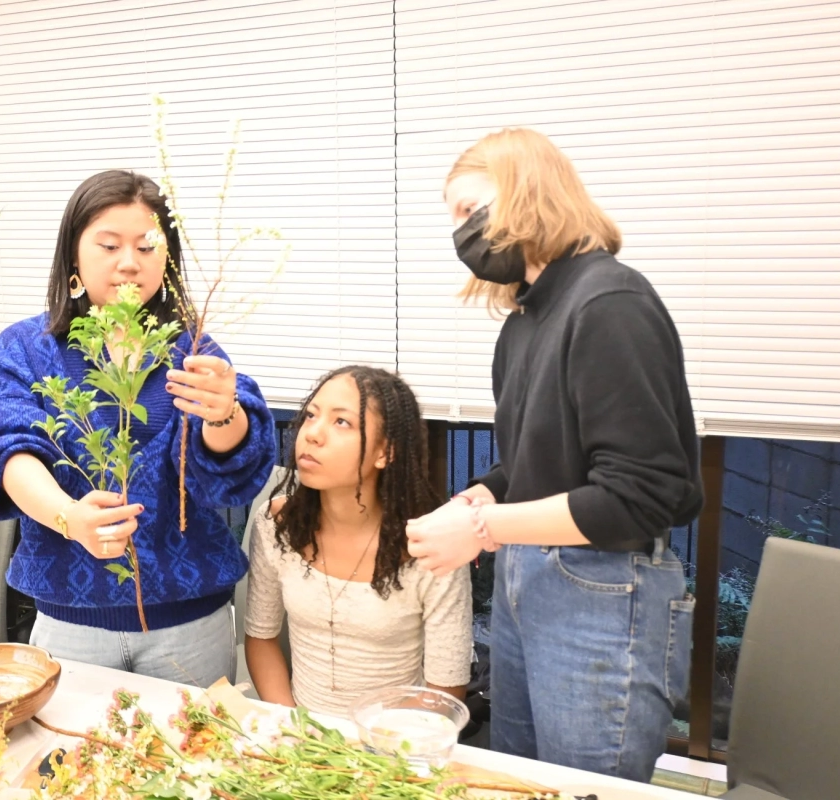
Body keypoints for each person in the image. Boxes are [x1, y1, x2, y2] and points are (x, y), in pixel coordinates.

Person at [404, 128, 702, 782]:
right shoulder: (524, 324)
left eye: (468, 209)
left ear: (526, 192)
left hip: (602, 589)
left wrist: (479, 531)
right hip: (526, 582)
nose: (459, 233)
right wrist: (480, 495)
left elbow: (637, 495)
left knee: (584, 789)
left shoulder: (610, 304)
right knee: (522, 782)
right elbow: (534, 463)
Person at [0, 169, 277, 687]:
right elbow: (5, 452)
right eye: (109, 245)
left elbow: (228, 472)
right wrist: (68, 516)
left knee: (189, 757)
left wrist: (224, 413)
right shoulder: (24, 350)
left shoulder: (191, 349)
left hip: (190, 622)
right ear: (74, 255)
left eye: (148, 247)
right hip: (71, 621)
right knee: (73, 761)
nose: (129, 262)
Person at [245, 366, 472, 717]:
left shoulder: (432, 545)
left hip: (394, 746)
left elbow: (446, 687)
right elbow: (260, 637)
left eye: (342, 423)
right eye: (311, 415)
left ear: (385, 452)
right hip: (300, 741)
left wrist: (371, 750)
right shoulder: (278, 526)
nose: (313, 434)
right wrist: (296, 728)